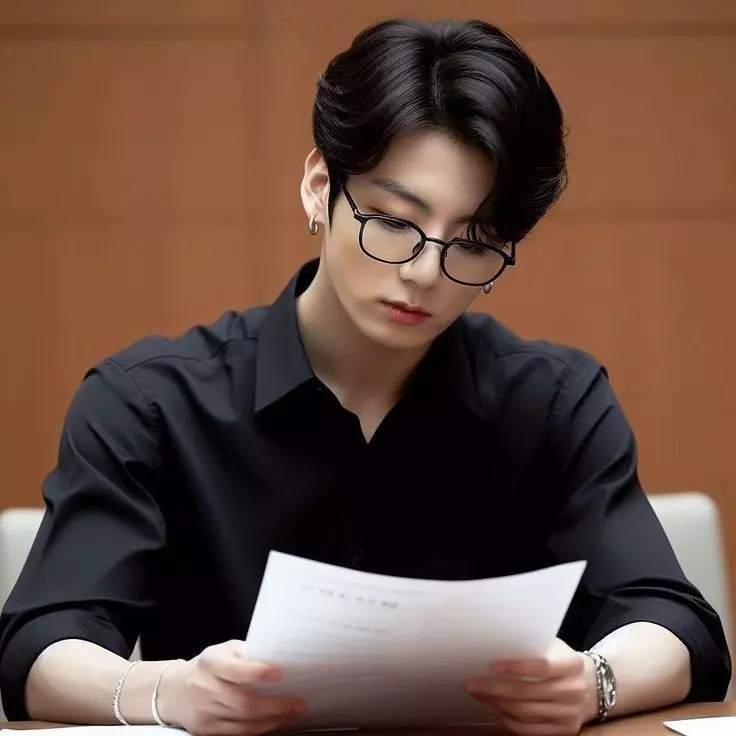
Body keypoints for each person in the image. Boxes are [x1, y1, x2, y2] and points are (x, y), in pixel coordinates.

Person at [0, 17, 730, 736]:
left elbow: (674, 622)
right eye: (394, 221)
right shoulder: (149, 402)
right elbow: (40, 648)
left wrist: (593, 683)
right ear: (320, 186)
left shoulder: (555, 402)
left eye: (475, 242)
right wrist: (170, 690)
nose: (425, 273)